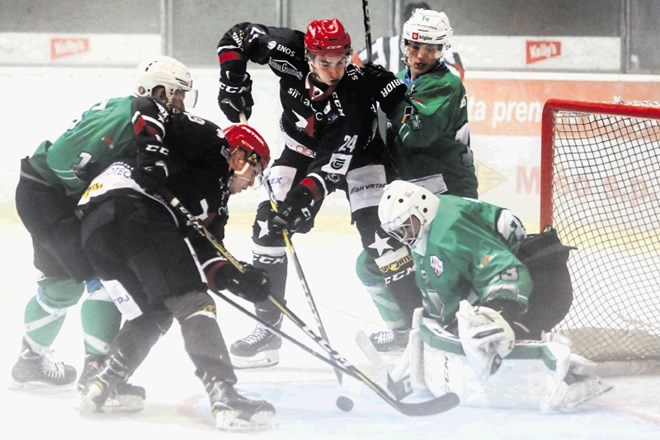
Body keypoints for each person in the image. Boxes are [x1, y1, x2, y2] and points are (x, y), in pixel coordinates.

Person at [75, 84, 277, 431]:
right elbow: (147, 104)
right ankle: (225, 396)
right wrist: (153, 154)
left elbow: (204, 253)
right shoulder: (212, 141)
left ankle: (103, 384)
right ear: (240, 156)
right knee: (193, 302)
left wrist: (235, 278)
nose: (250, 183)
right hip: (131, 209)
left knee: (155, 311)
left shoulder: (216, 207)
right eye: (254, 174)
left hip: (97, 229)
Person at [216, 18, 409, 368]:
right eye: (324, 61)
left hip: (361, 158)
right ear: (308, 56)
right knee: (266, 228)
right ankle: (267, 330)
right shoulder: (285, 49)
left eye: (341, 61)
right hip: (299, 150)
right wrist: (232, 80)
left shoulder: (350, 98)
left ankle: (411, 330)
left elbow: (329, 170)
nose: (333, 71)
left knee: (382, 238)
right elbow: (238, 35)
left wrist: (301, 205)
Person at [9, 55, 198, 409]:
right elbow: (62, 158)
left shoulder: (140, 116)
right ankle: (96, 375)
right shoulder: (128, 113)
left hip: (39, 192)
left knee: (61, 284)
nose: (181, 104)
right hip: (50, 197)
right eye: (176, 95)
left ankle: (30, 361)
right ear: (156, 90)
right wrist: (84, 200)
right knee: (105, 275)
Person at [375, 180, 612, 411]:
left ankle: (569, 375)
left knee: (497, 342)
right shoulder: (431, 228)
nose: (403, 234)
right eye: (397, 229)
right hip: (529, 280)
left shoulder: (448, 232)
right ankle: (561, 370)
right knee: (481, 337)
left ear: (422, 207)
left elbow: (506, 270)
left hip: (542, 286)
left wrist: (498, 311)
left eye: (406, 225)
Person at [355, 7, 478, 352]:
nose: (422, 55)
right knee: (371, 265)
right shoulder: (403, 79)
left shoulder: (446, 84)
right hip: (412, 201)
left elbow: (415, 133)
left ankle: (459, 333)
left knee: (442, 270)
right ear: (405, 44)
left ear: (443, 50)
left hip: (448, 197)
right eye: (415, 46)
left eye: (432, 48)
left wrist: (389, 93)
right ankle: (403, 333)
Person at [353, 2, 464, 81]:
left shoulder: (444, 48)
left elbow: (457, 76)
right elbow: (355, 62)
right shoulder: (385, 44)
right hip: (392, 110)